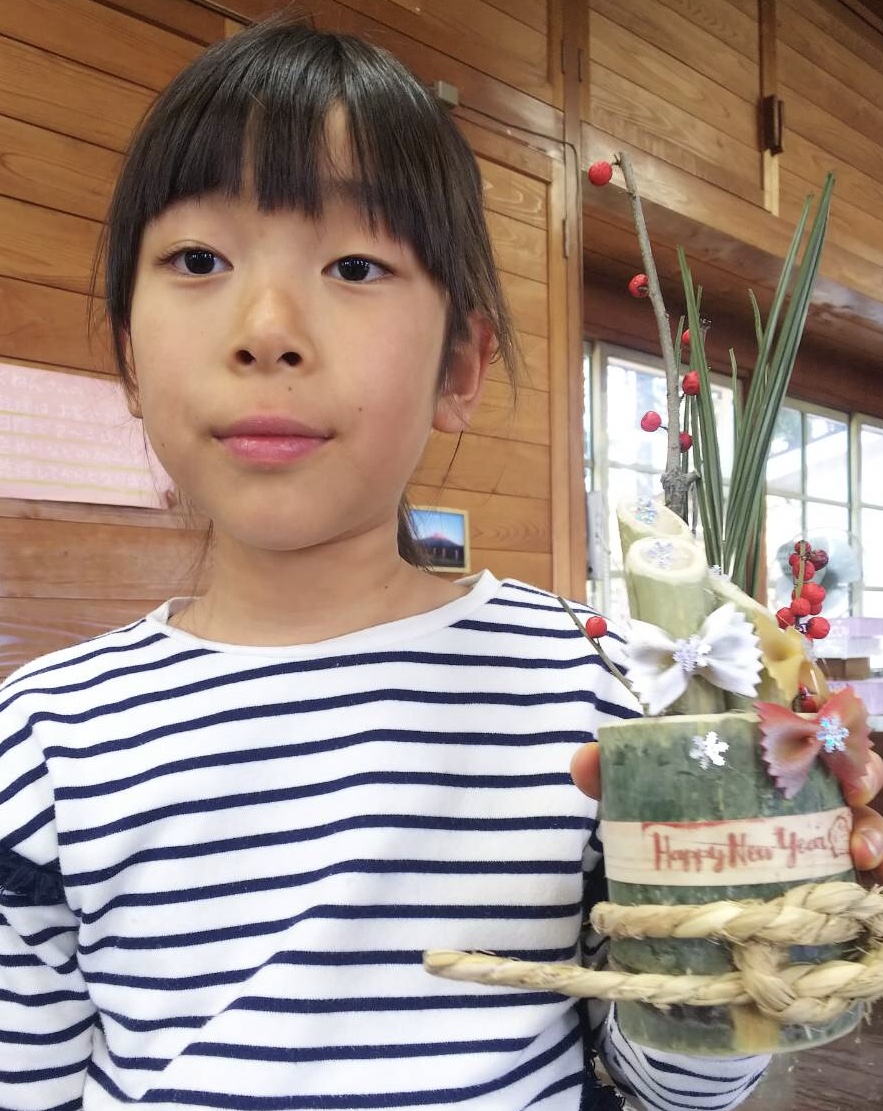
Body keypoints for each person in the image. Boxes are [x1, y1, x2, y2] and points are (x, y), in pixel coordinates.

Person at [1, 16, 881, 1111]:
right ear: (131, 357)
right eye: (197, 260)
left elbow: (676, 1088)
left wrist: (751, 904)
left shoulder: (597, 691)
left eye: (354, 265)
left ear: (459, 364)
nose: (265, 329)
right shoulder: (43, 738)